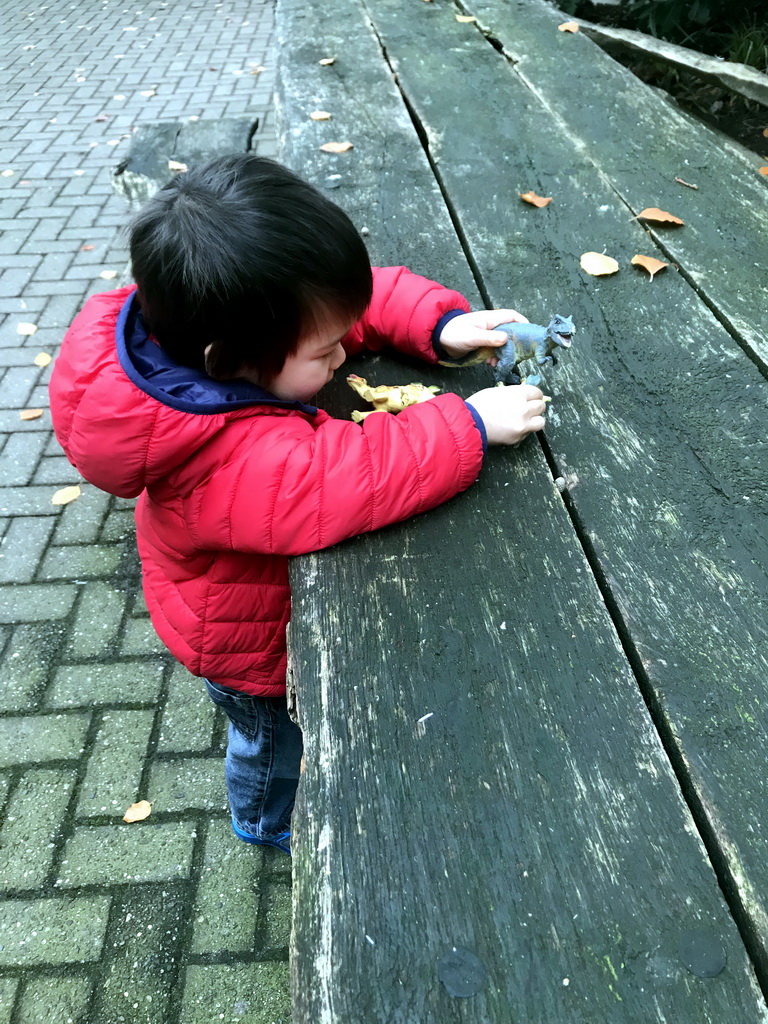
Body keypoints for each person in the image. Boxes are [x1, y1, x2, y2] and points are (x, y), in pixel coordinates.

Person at [49, 155, 547, 855]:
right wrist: (470, 424)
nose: (343, 356)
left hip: (249, 597)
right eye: (325, 354)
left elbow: (342, 305)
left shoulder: (231, 326)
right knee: (276, 743)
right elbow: (350, 475)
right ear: (231, 363)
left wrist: (437, 325)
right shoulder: (223, 460)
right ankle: (265, 820)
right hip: (248, 651)